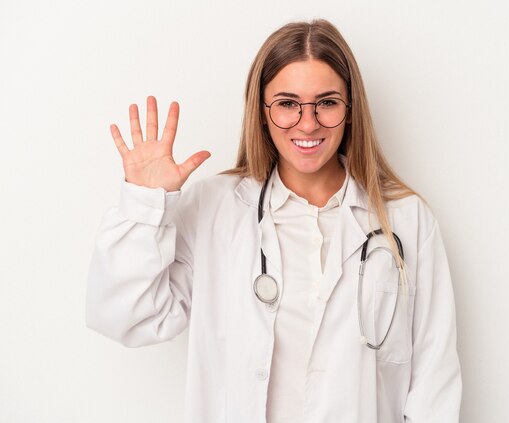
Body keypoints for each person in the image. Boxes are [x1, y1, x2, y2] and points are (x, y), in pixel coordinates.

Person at [87, 19, 461, 423]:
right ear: (262, 113)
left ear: (350, 111)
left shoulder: (407, 221)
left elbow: (433, 381)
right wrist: (145, 203)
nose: (308, 122)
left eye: (327, 102)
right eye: (287, 103)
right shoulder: (215, 209)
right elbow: (123, 316)